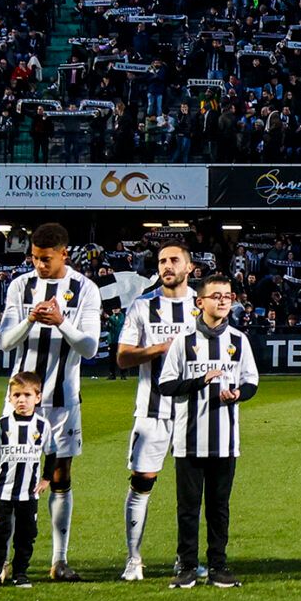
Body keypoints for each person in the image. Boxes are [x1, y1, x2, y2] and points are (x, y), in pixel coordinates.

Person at [0, 221, 102, 582]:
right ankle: (6, 561)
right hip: (21, 401)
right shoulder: (19, 286)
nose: (40, 265)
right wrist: (29, 319)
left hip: (63, 399)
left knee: (60, 476)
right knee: (13, 479)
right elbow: (5, 342)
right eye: (35, 258)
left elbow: (89, 348)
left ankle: (59, 560)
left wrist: (61, 322)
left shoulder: (85, 289)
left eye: (46, 259)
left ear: (64, 254)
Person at [156, 274, 258, 590]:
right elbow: (166, 385)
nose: (223, 300)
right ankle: (186, 567)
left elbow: (251, 382)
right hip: (188, 440)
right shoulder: (183, 342)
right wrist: (200, 382)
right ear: (200, 302)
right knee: (188, 510)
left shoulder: (239, 340)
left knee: (219, 509)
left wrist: (238, 394)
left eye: (227, 295)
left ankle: (218, 566)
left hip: (226, 442)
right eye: (216, 296)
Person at [115, 240, 196, 581]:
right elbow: (122, 357)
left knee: (192, 488)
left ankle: (186, 560)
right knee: (142, 482)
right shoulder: (143, 306)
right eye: (162, 260)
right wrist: (160, 348)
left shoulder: (203, 304)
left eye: (174, 260)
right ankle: (134, 559)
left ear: (189, 267)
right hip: (153, 410)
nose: (167, 265)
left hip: (196, 412)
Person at [0, 372, 52, 589]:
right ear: (10, 398)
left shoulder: (42, 426)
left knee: (26, 534)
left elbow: (52, 454)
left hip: (28, 493)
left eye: (27, 395)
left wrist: (46, 480)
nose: (22, 400)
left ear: (37, 397)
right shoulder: (2, 424)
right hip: (2, 491)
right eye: (17, 395)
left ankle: (20, 573)